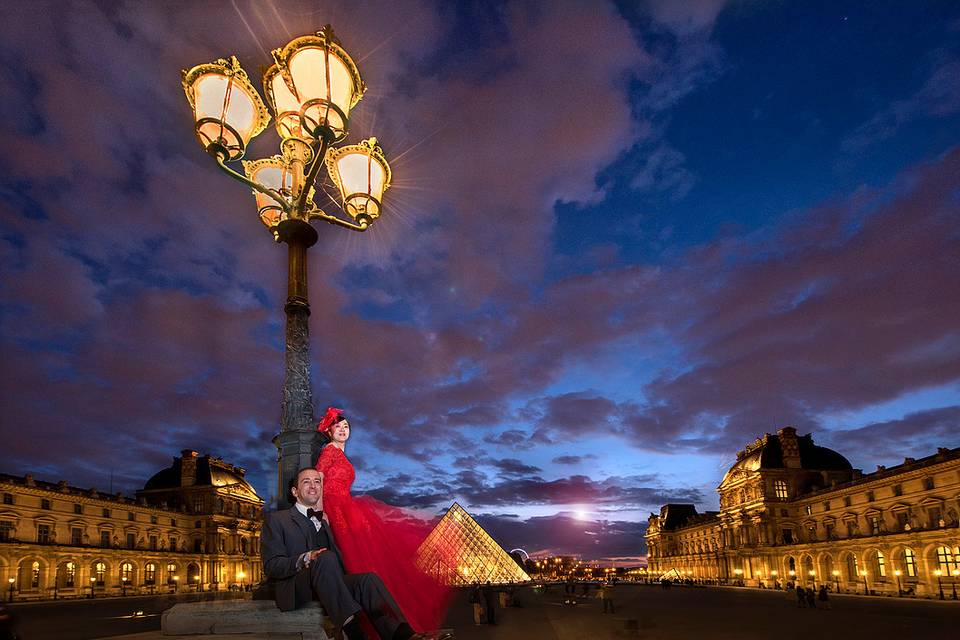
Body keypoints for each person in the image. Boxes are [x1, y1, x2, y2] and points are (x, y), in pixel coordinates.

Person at [315, 407, 451, 633]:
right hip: (335, 506)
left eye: (346, 426)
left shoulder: (340, 453)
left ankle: (383, 618)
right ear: (329, 431)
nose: (342, 430)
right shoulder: (329, 450)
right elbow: (318, 476)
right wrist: (322, 511)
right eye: (337, 426)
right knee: (358, 554)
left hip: (345, 505)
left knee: (366, 553)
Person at [261, 468, 425, 640]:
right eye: (306, 481)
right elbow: (271, 566)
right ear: (295, 492)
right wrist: (305, 558)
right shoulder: (277, 520)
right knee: (325, 557)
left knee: (368, 580)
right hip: (297, 587)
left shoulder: (325, 522)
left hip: (329, 584)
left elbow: (339, 562)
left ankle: (403, 634)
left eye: (317, 481)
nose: (313, 486)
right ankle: (354, 633)